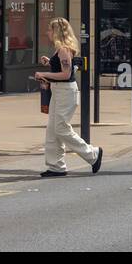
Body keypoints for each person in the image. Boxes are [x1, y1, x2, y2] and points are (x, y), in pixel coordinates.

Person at [35, 17, 102, 178]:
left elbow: (66, 74)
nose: (47, 32)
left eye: (50, 30)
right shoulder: (59, 49)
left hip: (66, 92)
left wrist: (44, 74)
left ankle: (92, 154)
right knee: (52, 129)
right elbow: (61, 68)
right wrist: (49, 63)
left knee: (61, 128)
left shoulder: (64, 49)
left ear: (57, 32)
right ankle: (56, 166)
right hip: (58, 91)